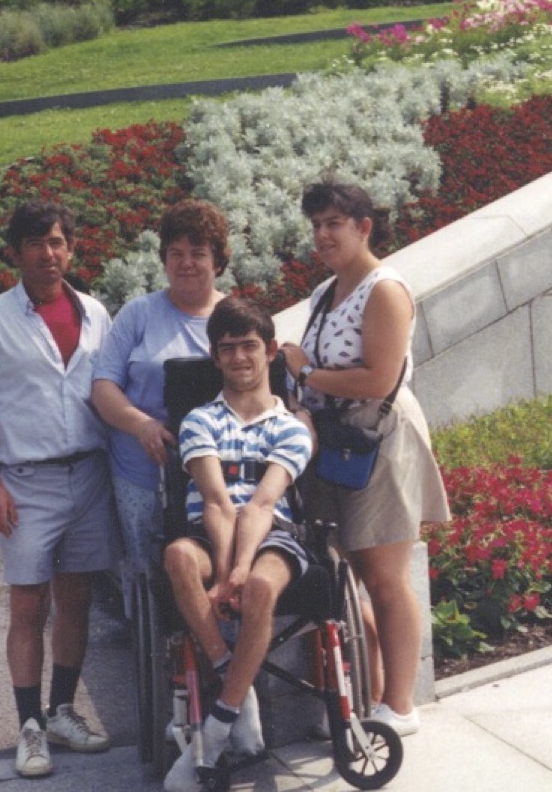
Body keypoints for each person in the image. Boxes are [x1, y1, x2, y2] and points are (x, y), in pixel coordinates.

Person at [0, 199, 118, 779]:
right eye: (37, 243)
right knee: (28, 604)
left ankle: (63, 711)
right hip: (26, 483)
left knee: (76, 601)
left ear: (72, 248)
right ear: (17, 252)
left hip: (90, 477)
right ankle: (29, 726)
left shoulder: (96, 313)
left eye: (58, 242)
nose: (50, 254)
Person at [279, 181, 450, 739]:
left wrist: (305, 372)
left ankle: (399, 705)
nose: (323, 235)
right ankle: (368, 691)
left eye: (334, 223)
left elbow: (377, 379)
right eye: (316, 226)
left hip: (379, 441)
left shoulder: (385, 289)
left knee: (384, 576)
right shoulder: (326, 291)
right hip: (336, 444)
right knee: (348, 576)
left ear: (364, 227)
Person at [161, 298, 313, 792]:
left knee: (261, 589)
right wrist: (224, 574)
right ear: (215, 357)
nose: (239, 358)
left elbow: (260, 507)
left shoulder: (291, 428)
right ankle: (234, 677)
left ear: (269, 351)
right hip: (212, 529)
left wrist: (239, 575)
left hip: (273, 535)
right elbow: (217, 503)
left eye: (249, 347)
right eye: (227, 350)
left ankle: (220, 725)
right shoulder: (200, 421)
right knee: (179, 556)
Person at [92, 200, 231, 600]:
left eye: (198, 254)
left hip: (215, 471)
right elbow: (103, 386)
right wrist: (141, 424)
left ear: (217, 261)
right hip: (141, 467)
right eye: (176, 253)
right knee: (148, 575)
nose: (186, 263)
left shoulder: (234, 317)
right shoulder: (139, 314)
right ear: (164, 259)